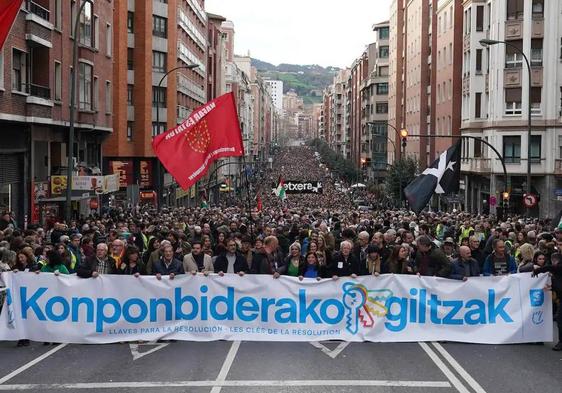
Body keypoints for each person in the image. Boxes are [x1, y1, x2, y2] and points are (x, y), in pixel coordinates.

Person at [533, 253, 562, 351]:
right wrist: (551, 288)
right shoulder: (557, 270)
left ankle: (561, 342)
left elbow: (550, 268)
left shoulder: (558, 268)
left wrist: (537, 271)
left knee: (560, 320)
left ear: (555, 261)